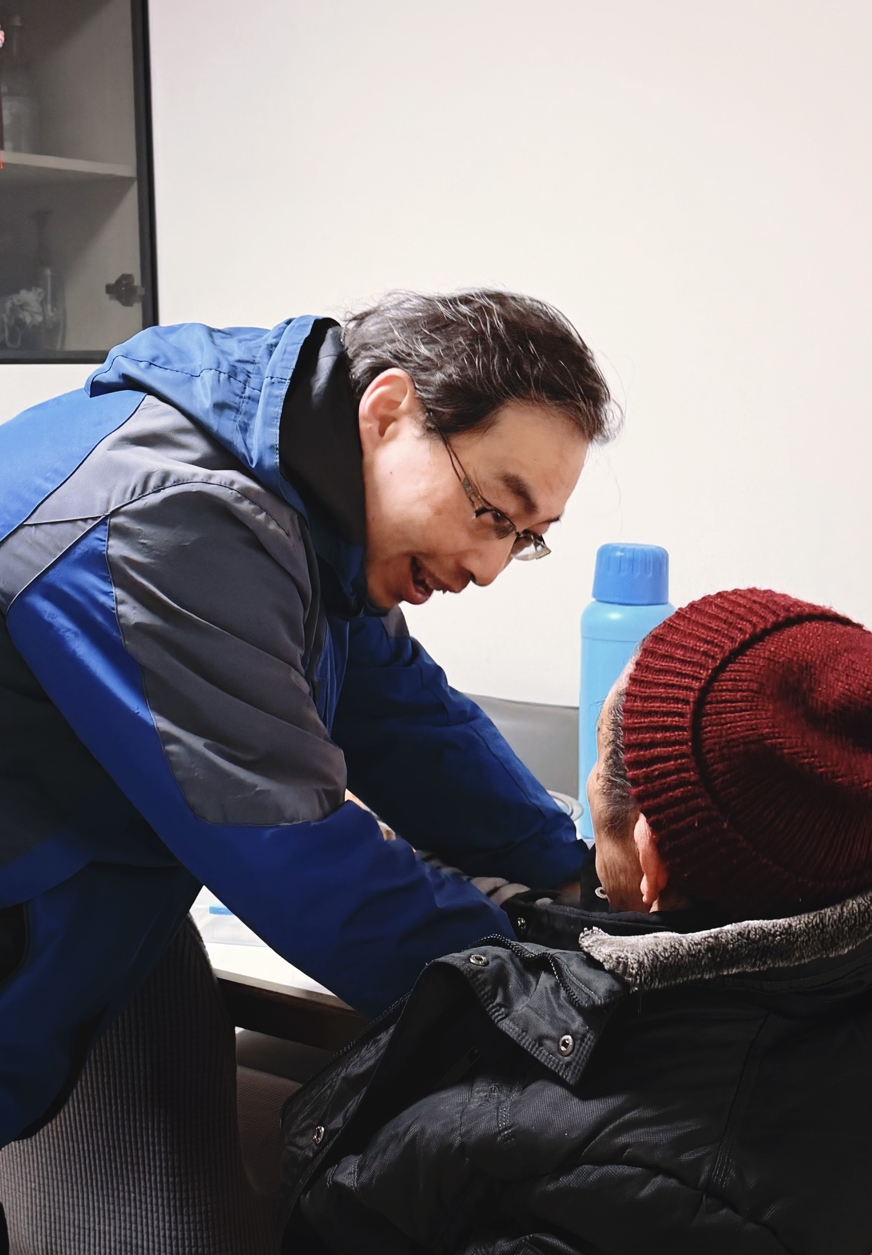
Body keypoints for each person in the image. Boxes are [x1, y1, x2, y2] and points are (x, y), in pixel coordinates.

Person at [0, 291, 612, 1157]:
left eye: (525, 538)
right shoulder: (172, 518)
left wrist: (577, 882)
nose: (488, 567)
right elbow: (296, 852)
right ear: (388, 412)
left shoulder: (304, 521)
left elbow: (409, 724)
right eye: (491, 511)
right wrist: (555, 996)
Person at [282, 588, 872, 1255]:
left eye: (600, 761)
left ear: (652, 858)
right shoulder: (860, 965)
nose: (589, 779)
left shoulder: (660, 1202)